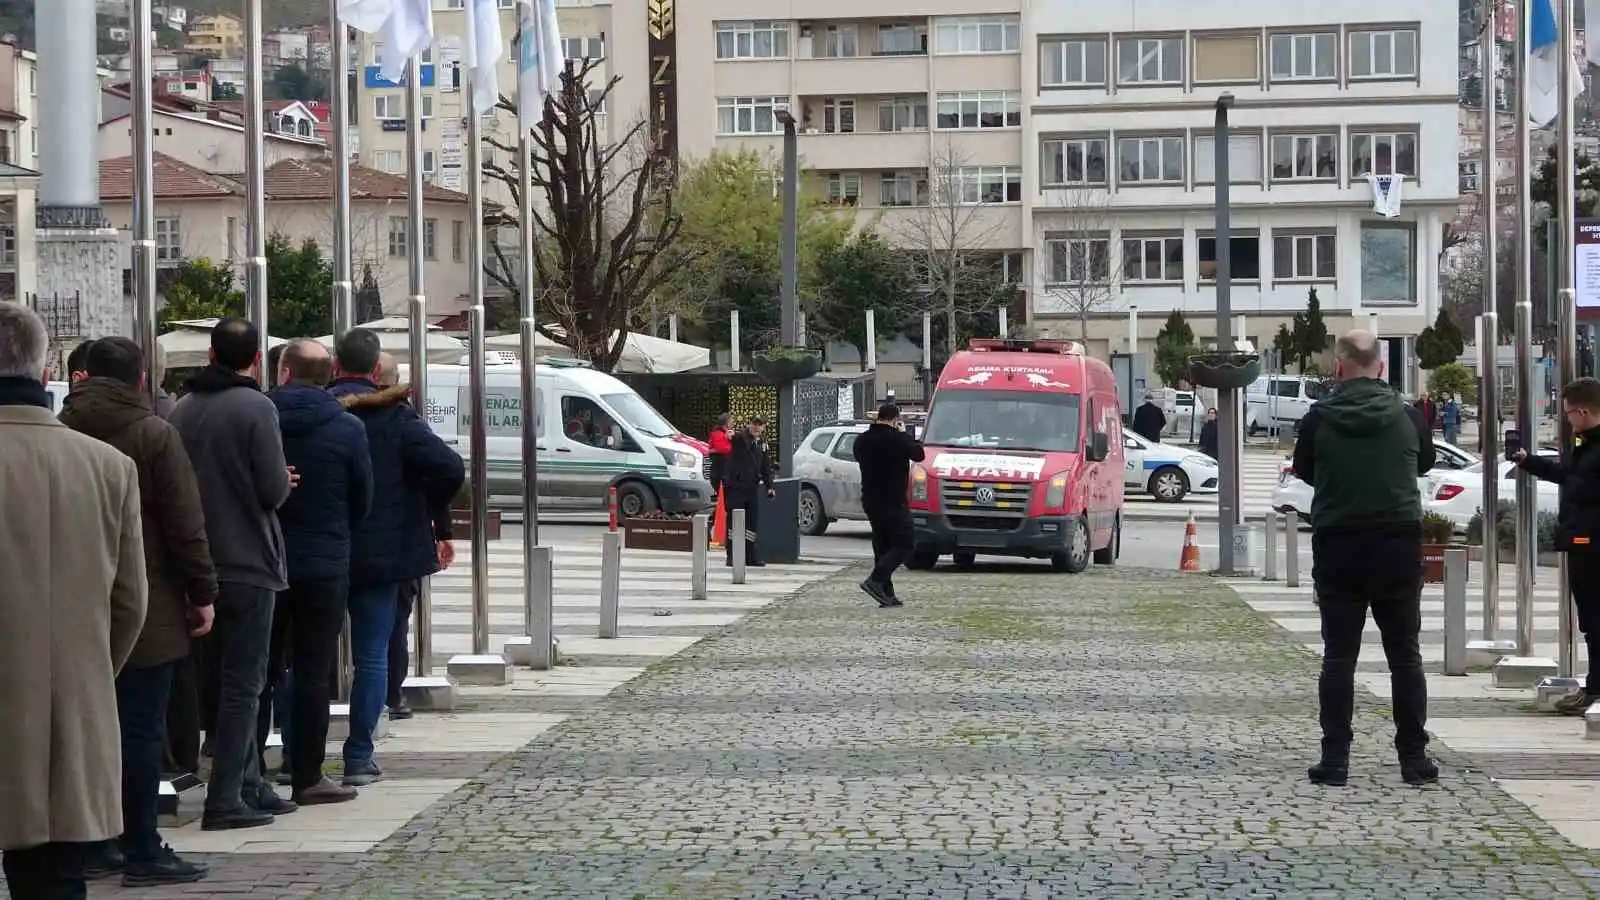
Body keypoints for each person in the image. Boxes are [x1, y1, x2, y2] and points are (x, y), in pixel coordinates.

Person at [57, 338, 218, 887]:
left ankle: (93, 841)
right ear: (141, 381)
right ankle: (141, 844)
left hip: (71, 608)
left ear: (82, 376)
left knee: (83, 733)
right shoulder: (153, 434)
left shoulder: (61, 429)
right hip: (146, 603)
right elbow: (183, 523)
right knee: (141, 732)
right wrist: (203, 593)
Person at [0, 303, 148, 900]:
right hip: (71, 702)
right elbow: (131, 601)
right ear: (47, 370)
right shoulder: (109, 467)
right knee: (58, 877)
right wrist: (87, 672)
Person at [1292, 330, 1437, 788]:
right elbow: (1425, 464)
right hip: (1397, 541)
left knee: (1339, 657)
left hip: (1338, 543)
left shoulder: (1318, 419)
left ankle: (1335, 760)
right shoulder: (1409, 416)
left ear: (1338, 367)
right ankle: (1414, 758)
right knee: (1405, 657)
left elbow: (1305, 471)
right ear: (1381, 367)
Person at [170, 317, 297, 830]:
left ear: (209, 356)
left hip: (198, 563)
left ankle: (249, 783)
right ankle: (226, 797)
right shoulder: (256, 407)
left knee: (216, 681)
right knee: (245, 683)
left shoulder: (182, 410)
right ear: (255, 359)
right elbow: (270, 490)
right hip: (248, 559)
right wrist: (285, 481)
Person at [331, 330, 463, 787]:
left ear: (334, 367)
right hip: (381, 551)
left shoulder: (308, 410)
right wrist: (424, 509)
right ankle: (358, 755)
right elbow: (449, 468)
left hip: (318, 548)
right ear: (374, 372)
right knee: (372, 654)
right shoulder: (395, 417)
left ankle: (296, 754)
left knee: (304, 655)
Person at [266, 338, 372, 804]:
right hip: (325, 561)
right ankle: (308, 774)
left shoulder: (259, 416)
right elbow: (362, 497)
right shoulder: (347, 428)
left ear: (284, 372)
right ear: (328, 377)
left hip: (266, 557)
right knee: (313, 670)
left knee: (259, 669)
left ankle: (247, 774)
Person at [1515, 377, 1600, 715]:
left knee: (1594, 620)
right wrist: (1528, 461)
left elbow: (1579, 484)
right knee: (1592, 621)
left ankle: (1594, 690)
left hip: (1592, 546)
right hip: (1585, 544)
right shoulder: (1588, 447)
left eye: (1568, 413)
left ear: (1582, 411)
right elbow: (1568, 474)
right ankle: (1594, 687)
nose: (1567, 419)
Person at [852, 403, 926, 608]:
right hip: (893, 499)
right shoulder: (897, 439)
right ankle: (875, 580)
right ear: (895, 419)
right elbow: (919, 454)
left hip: (870, 499)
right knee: (905, 542)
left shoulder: (862, 440)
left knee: (882, 544)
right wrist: (903, 433)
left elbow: (858, 456)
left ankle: (886, 592)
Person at [722, 416, 775, 568]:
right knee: (734, 522)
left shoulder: (762, 443)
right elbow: (735, 438)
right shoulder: (741, 438)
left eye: (760, 425)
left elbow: (766, 466)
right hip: (736, 487)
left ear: (763, 427)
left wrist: (769, 486)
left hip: (752, 488)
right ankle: (731, 556)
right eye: (755, 424)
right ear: (749, 424)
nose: (757, 428)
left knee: (751, 524)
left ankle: (750, 556)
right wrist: (730, 435)